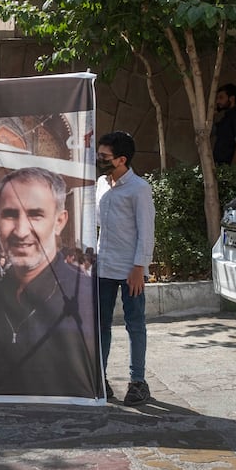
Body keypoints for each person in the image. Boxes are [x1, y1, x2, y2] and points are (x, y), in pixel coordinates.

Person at [0, 166, 99, 399]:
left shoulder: (84, 299)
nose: (21, 231)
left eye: (35, 215)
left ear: (59, 221)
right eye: (9, 214)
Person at [95, 131, 155, 406]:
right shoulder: (100, 184)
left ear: (122, 159)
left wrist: (139, 267)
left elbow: (146, 231)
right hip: (104, 265)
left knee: (135, 325)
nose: (99, 160)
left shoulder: (139, 188)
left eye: (104, 157)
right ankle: (99, 378)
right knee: (101, 325)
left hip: (130, 268)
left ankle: (138, 382)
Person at [213, 83, 236, 166]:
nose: (217, 101)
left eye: (221, 98)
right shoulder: (226, 118)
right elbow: (209, 132)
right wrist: (211, 115)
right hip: (222, 167)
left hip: (231, 170)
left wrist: (232, 170)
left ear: (232, 99)